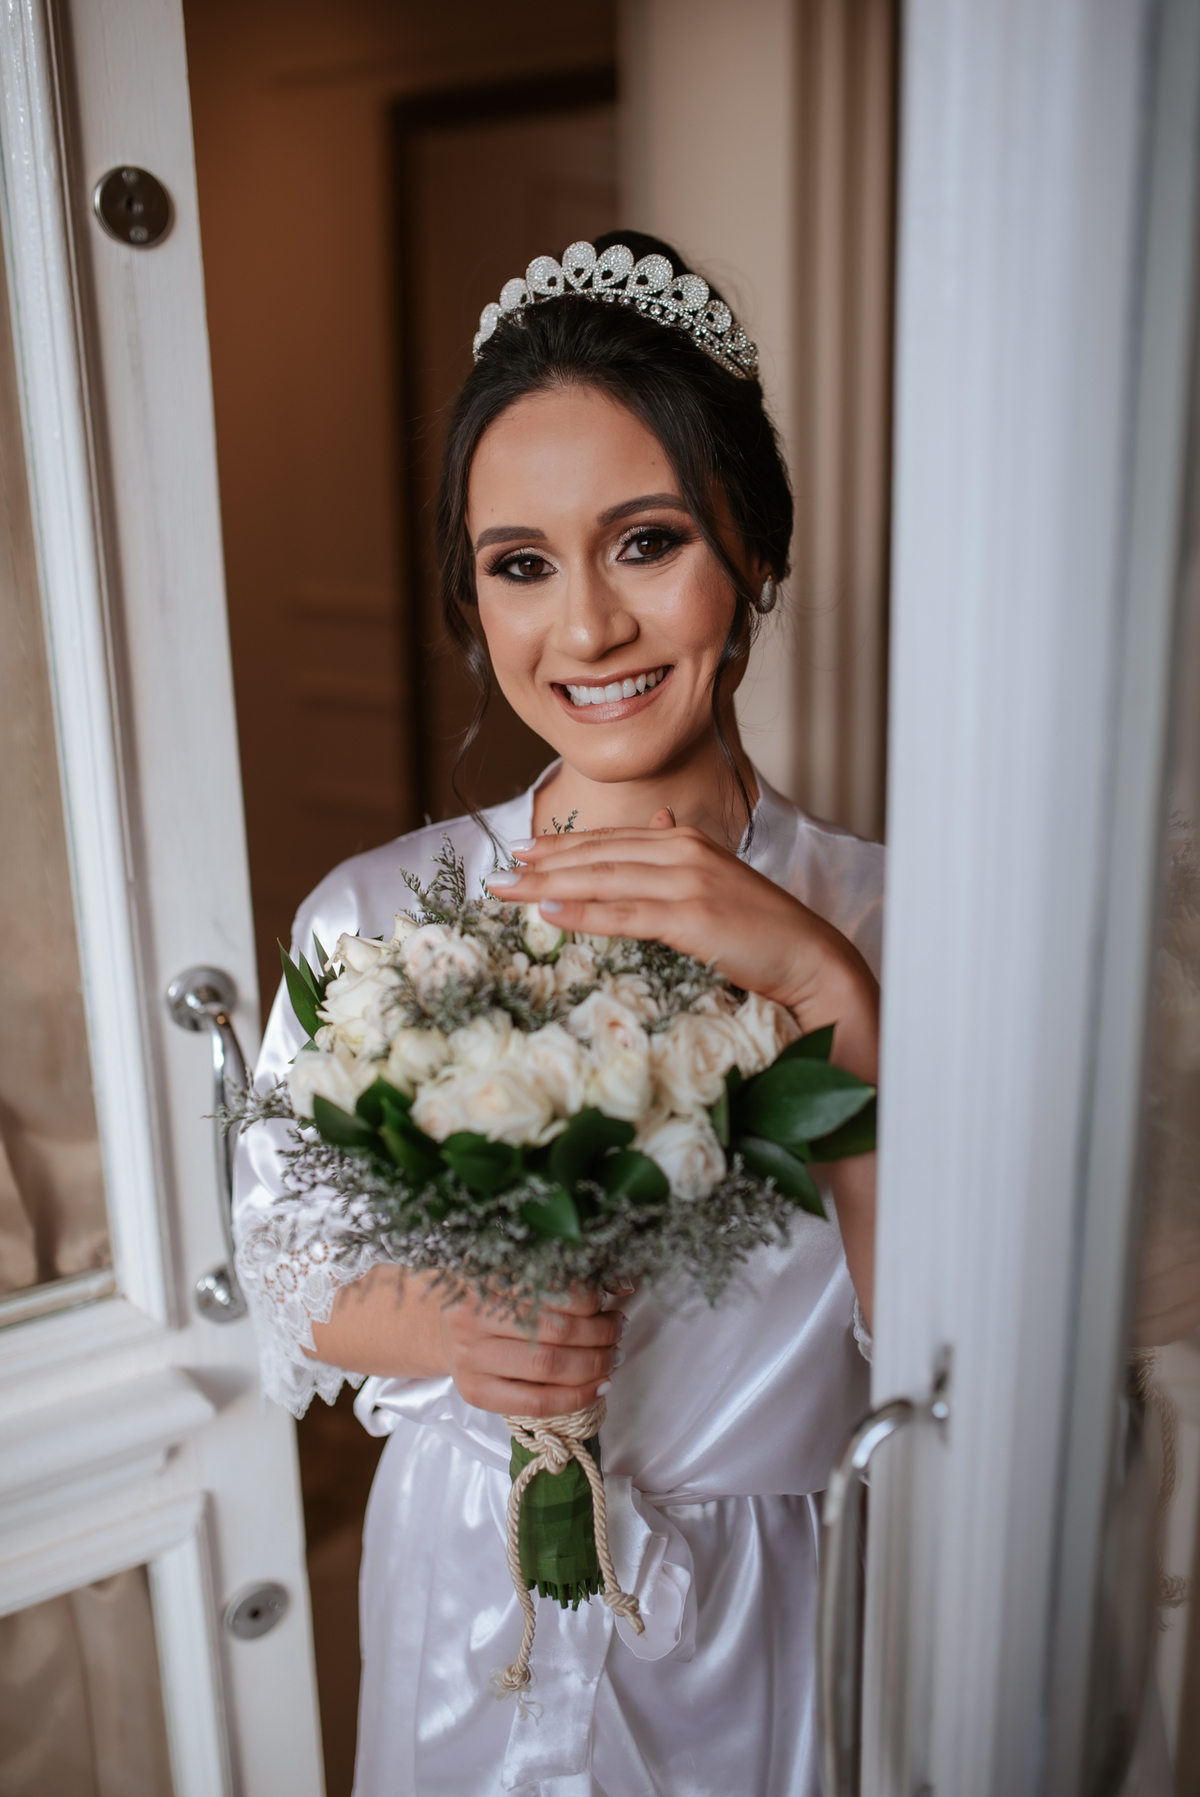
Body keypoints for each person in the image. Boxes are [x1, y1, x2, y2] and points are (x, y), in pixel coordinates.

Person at [234, 230, 883, 1797]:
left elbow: (964, 1348)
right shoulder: (373, 919)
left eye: (646, 541)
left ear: (760, 553)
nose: (584, 629)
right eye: (521, 563)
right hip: (470, 1591)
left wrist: (825, 988)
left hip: (754, 1629)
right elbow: (284, 1271)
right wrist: (466, 1330)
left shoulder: (889, 922)